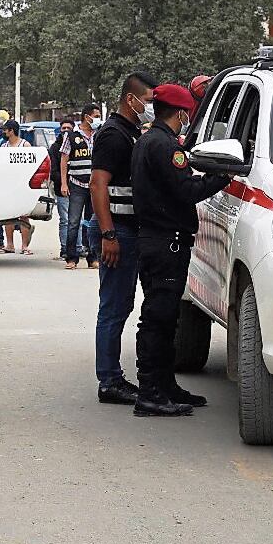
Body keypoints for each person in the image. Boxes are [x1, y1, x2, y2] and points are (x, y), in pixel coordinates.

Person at [130, 84, 231, 417]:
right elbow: (187, 190)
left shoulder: (149, 140)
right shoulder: (165, 146)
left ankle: (164, 386)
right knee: (158, 319)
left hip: (158, 239)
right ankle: (150, 394)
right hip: (165, 242)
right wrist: (223, 177)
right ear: (182, 113)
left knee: (165, 318)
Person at [87, 72, 158, 405]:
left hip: (128, 230)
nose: (152, 106)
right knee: (113, 307)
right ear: (132, 99)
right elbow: (98, 185)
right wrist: (109, 233)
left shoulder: (130, 132)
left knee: (121, 305)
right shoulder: (113, 135)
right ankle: (109, 380)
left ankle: (112, 376)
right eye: (149, 100)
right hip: (118, 231)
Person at [60, 104, 100, 269]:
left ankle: (93, 257)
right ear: (86, 116)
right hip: (76, 184)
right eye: (96, 116)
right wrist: (64, 183)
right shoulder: (71, 136)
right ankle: (71, 258)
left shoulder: (99, 134)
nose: (98, 119)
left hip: (94, 186)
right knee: (73, 222)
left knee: (92, 223)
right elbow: (64, 159)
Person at [0, 120, 35, 255]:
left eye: (5, 130)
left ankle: (24, 246)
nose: (3, 132)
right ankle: (10, 245)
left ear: (11, 131)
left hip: (23, 185)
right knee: (8, 216)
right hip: (8, 185)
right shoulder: (3, 147)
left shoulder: (25, 146)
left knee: (24, 216)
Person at [48, 118, 76, 261]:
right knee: (65, 220)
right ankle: (65, 249)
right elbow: (53, 171)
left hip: (78, 188)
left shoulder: (78, 144)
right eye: (63, 128)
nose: (65, 131)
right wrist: (64, 182)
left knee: (78, 220)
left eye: (68, 128)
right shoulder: (55, 148)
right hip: (61, 189)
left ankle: (78, 248)